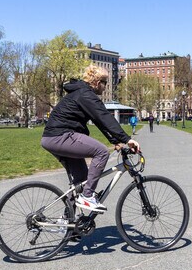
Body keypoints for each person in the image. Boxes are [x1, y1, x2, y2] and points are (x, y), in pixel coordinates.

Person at [41, 65, 140, 213]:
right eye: (105, 83)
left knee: (80, 182)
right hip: (60, 136)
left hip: (55, 138)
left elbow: (100, 122)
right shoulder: (85, 94)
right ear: (96, 82)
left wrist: (116, 141)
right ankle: (87, 197)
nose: (105, 87)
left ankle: (68, 225)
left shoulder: (83, 93)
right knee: (101, 152)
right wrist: (127, 139)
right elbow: (104, 117)